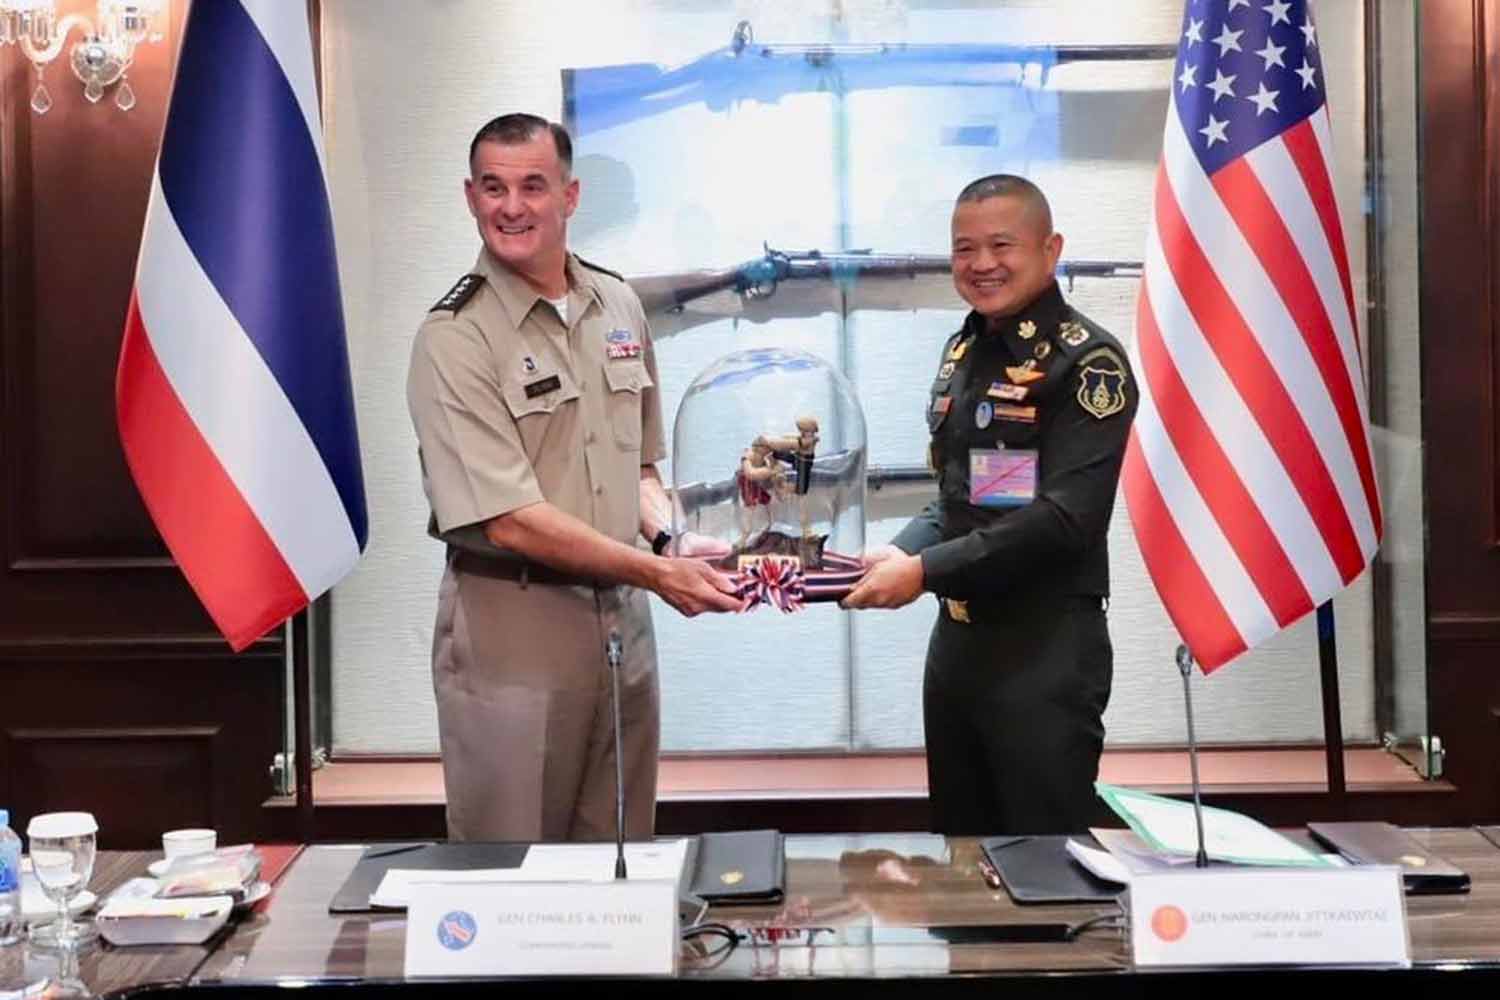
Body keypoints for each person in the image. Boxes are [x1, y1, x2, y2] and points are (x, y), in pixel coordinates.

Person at [406, 113, 742, 843]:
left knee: (618, 866)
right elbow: (508, 517)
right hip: (514, 633)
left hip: (623, 626)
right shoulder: (454, 337)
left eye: (533, 185)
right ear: (470, 197)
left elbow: (640, 469)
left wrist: (672, 539)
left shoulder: (617, 304)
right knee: (510, 877)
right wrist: (657, 574)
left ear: (571, 195)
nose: (512, 206)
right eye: (493, 188)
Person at [841, 174, 1137, 835]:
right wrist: (899, 551)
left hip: (1043, 653)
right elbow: (971, 498)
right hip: (958, 653)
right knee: (964, 863)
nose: (981, 265)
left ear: (1050, 249)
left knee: (1044, 871)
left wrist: (922, 572)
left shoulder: (1087, 365)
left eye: (1001, 245)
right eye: (963, 249)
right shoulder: (966, 350)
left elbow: (1065, 521)